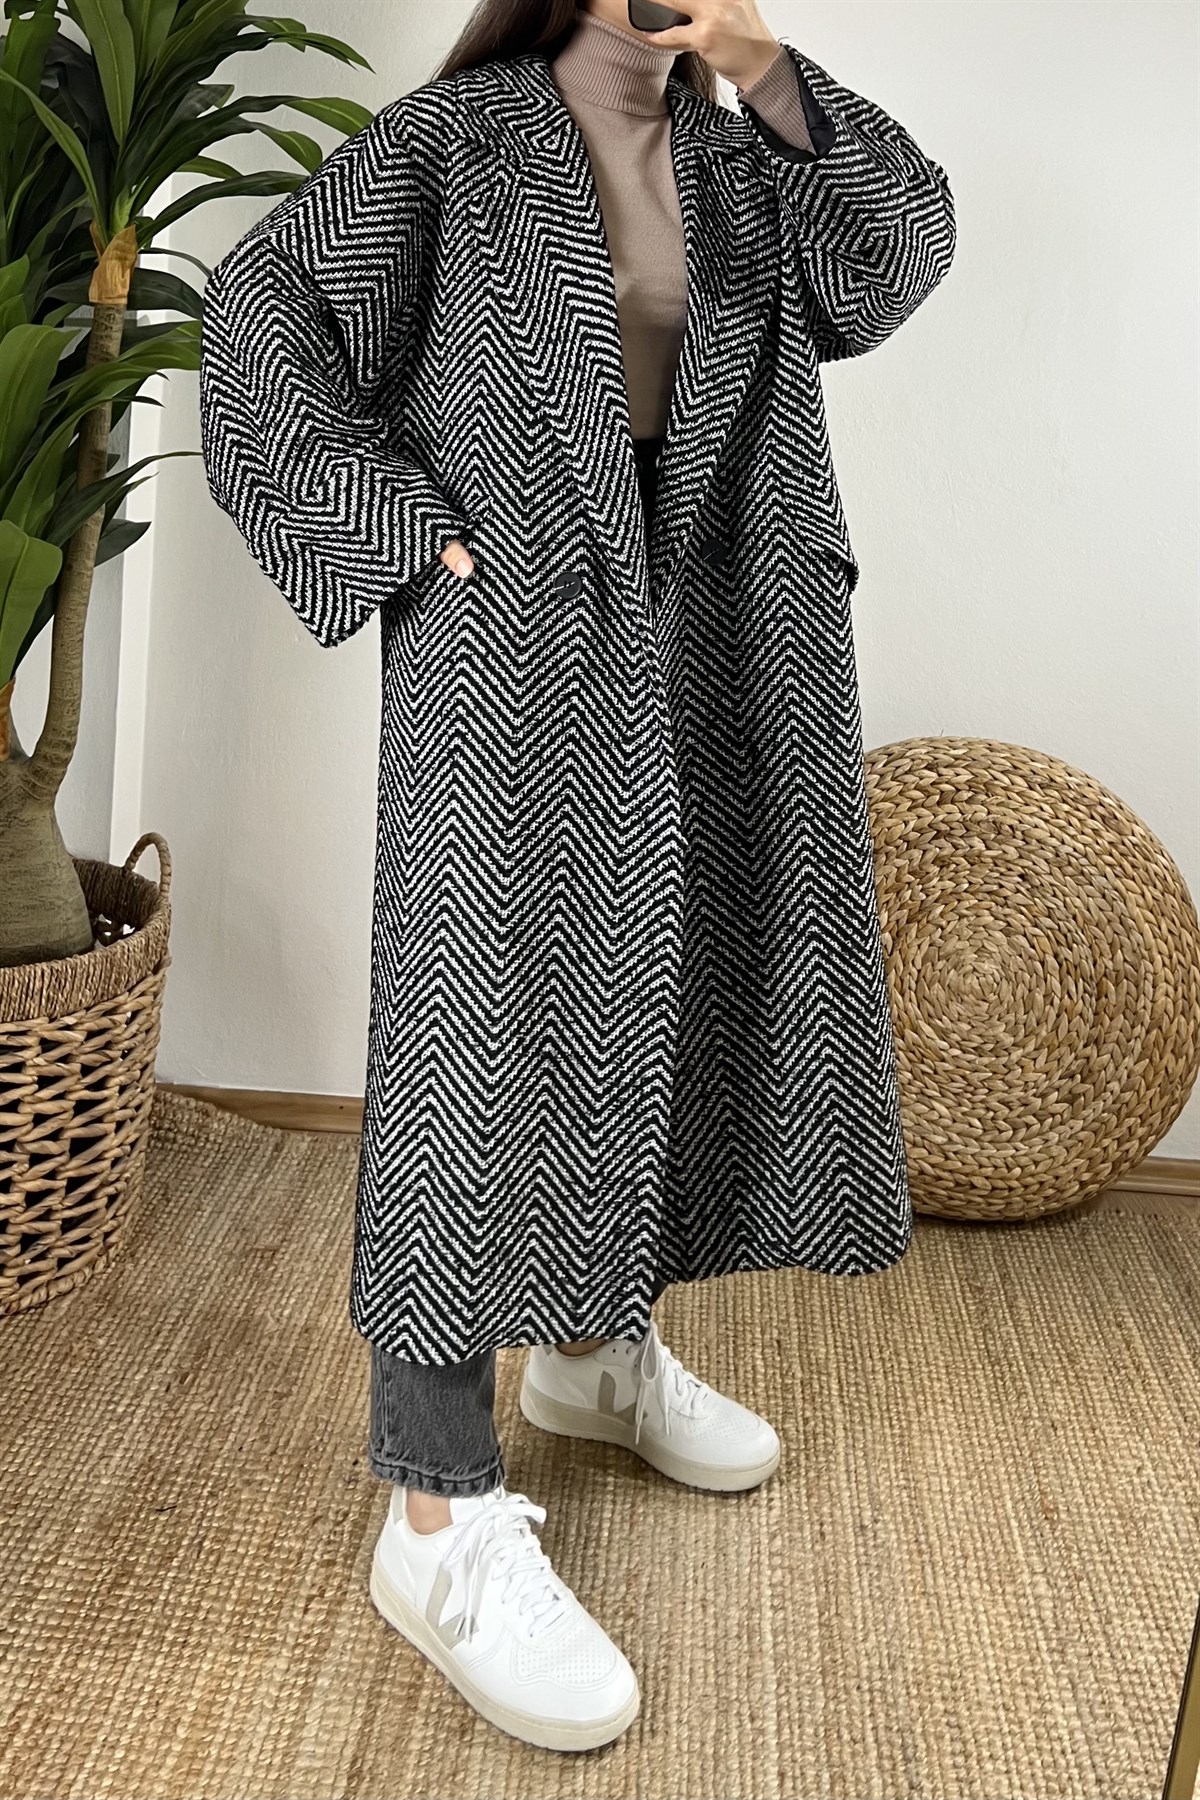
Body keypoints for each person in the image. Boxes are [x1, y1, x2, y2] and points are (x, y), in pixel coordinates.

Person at [199, 0, 955, 1756]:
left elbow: (898, 253)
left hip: (721, 618)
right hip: (515, 633)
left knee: (671, 984)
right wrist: (400, 534)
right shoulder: (454, 146)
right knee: (477, 1050)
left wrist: (760, 65)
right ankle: (436, 1513)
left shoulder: (746, 155)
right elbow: (255, 322)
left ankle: (593, 1352)